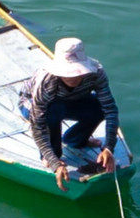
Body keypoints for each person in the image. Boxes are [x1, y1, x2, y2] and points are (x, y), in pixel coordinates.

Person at [23, 37, 118, 187]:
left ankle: (76, 140)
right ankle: (51, 153)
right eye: (67, 73)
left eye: (76, 72)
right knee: (53, 112)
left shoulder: (97, 74)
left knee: (99, 107)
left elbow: (110, 110)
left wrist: (109, 147)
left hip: (74, 99)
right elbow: (37, 125)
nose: (71, 77)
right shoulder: (47, 80)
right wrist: (55, 162)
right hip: (33, 104)